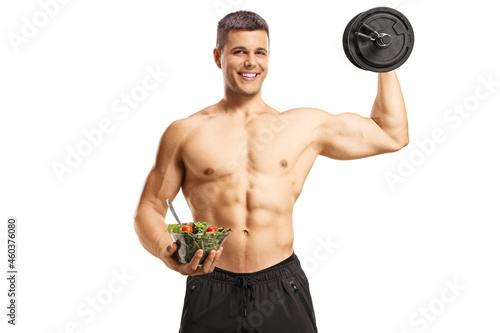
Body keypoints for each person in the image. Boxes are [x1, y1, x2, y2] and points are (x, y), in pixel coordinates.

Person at [134, 10, 409, 333]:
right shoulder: (185, 132)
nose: (251, 62)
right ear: (217, 56)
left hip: (281, 286)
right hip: (210, 284)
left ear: (268, 58)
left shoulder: (302, 126)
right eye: (239, 51)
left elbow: (392, 134)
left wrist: (384, 56)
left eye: (259, 52)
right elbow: (150, 207)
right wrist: (166, 249)